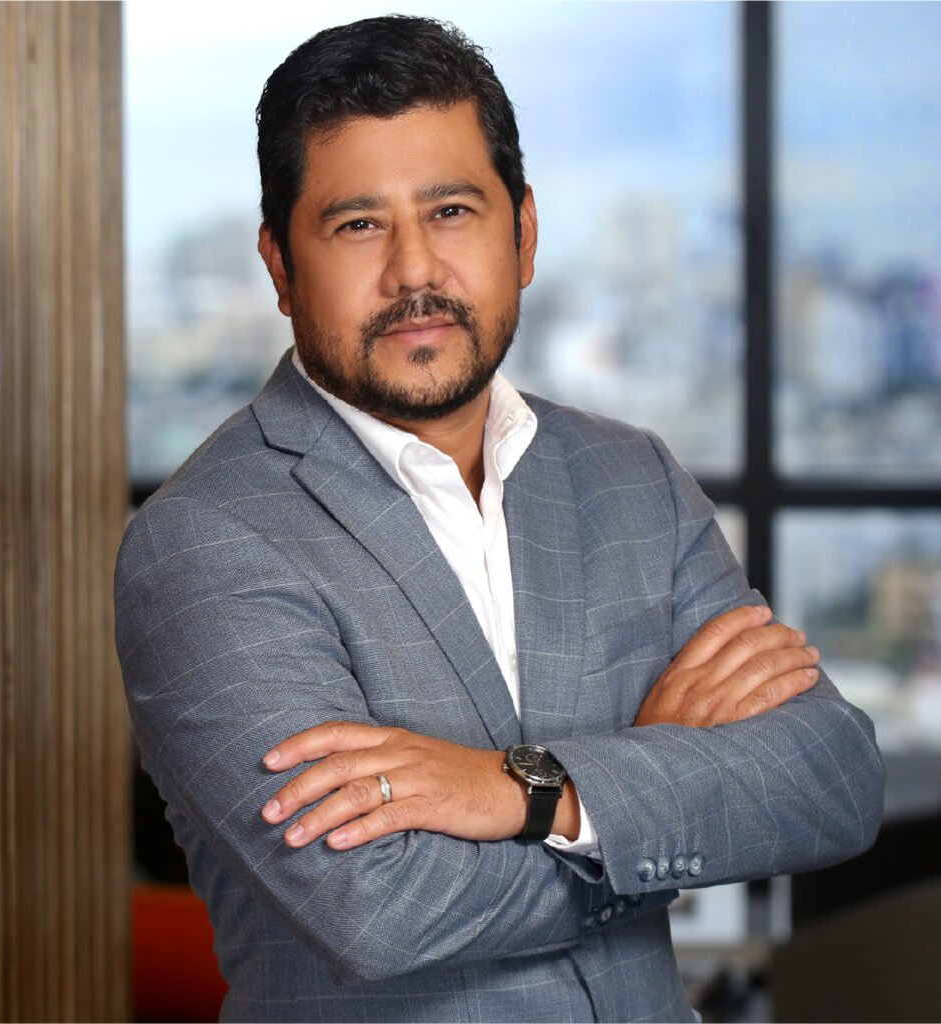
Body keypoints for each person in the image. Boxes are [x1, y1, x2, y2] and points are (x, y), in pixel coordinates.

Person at [115, 15, 884, 1022]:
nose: (414, 272)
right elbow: (379, 909)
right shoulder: (205, 540)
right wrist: (642, 784)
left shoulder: (632, 479)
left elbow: (831, 781)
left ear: (521, 234)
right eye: (358, 225)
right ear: (279, 266)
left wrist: (525, 790)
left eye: (451, 211)